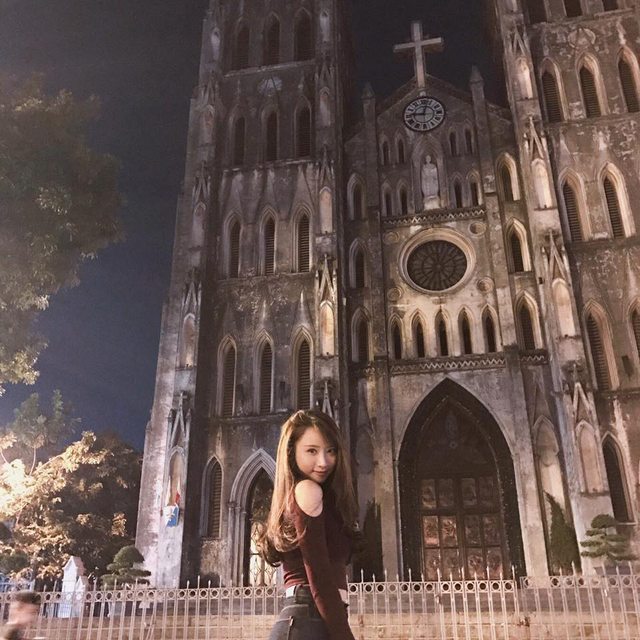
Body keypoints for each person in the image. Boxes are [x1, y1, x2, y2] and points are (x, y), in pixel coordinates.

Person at [259, 410, 359, 640]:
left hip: (310, 619)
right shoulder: (307, 490)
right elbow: (320, 577)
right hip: (308, 619)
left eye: (330, 451)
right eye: (312, 451)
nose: (324, 462)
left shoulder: (314, 495)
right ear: (291, 452)